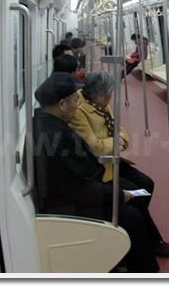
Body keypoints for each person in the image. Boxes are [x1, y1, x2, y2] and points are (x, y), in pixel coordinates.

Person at [32, 72, 161, 272]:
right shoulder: (54, 139)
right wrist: (117, 194)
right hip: (68, 205)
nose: (78, 103)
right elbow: (77, 188)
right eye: (75, 100)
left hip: (78, 189)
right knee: (131, 217)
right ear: (62, 104)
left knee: (137, 197)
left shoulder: (51, 125)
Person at [68, 70, 169, 259]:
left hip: (112, 159)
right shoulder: (79, 110)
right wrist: (117, 143)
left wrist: (116, 142)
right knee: (135, 196)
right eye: (109, 94)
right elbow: (94, 146)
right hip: (98, 166)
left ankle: (135, 226)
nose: (111, 98)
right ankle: (153, 241)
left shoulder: (101, 104)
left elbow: (118, 128)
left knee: (147, 184)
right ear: (99, 94)